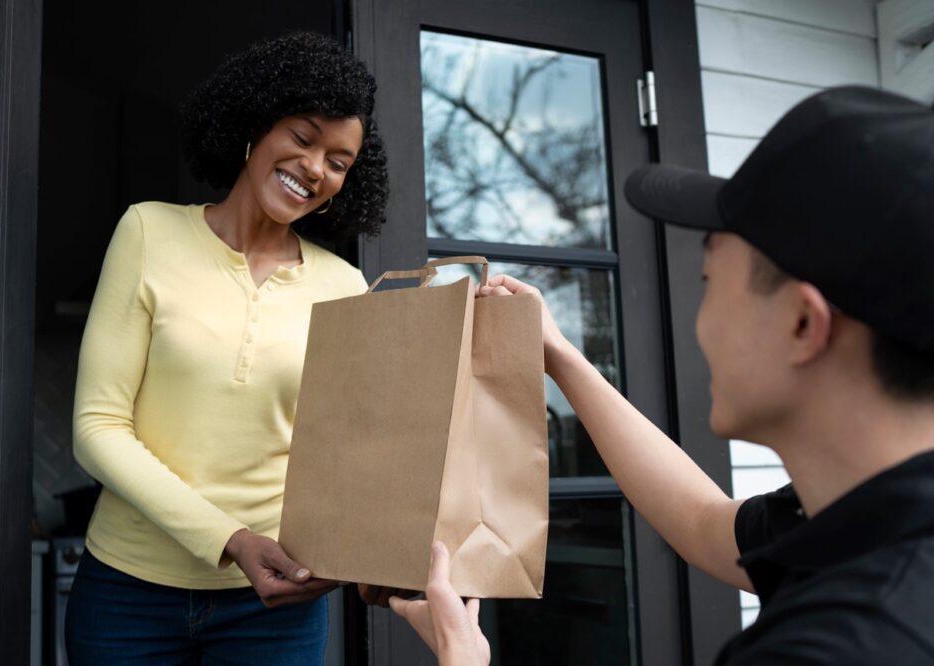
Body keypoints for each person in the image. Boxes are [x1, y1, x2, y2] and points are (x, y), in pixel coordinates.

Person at [391, 86, 934, 664]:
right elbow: (703, 523)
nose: (700, 323)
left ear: (802, 324)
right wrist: (560, 356)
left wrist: (461, 656)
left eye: (709, 281)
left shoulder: (840, 643)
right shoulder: (867, 525)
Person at [66, 32, 389, 665]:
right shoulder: (148, 231)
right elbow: (96, 427)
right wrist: (230, 539)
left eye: (338, 161)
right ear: (255, 126)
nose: (315, 168)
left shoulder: (346, 286)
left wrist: (348, 552)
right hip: (126, 594)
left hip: (275, 607)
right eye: (302, 137)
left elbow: (348, 453)